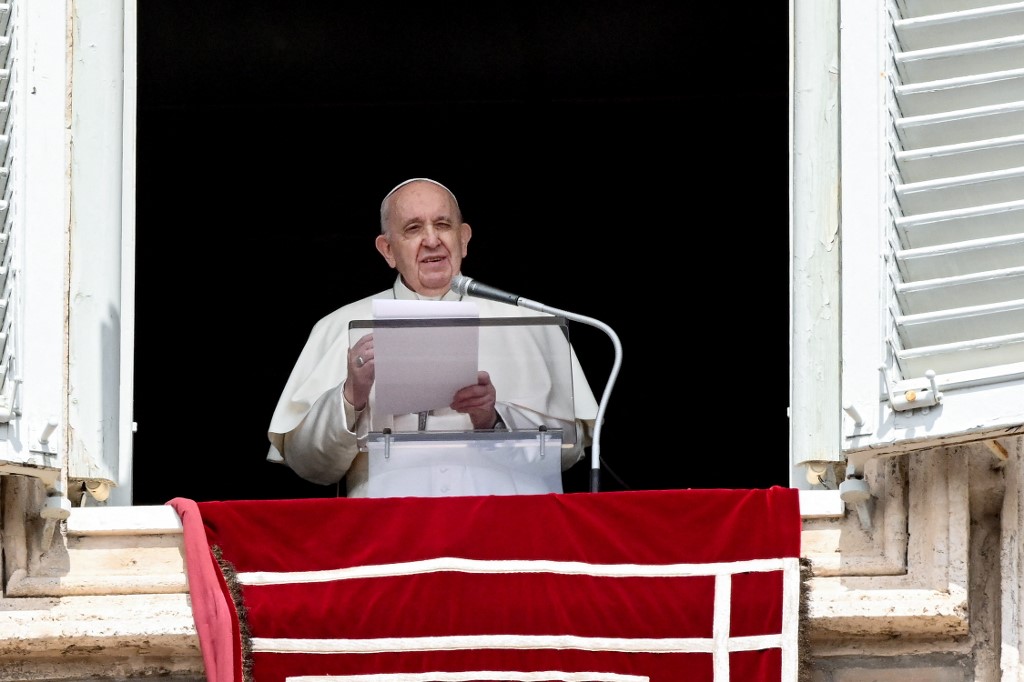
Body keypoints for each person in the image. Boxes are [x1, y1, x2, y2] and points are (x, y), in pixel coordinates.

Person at [267, 177, 599, 497]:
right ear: (387, 250)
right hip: (388, 537)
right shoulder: (339, 326)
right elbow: (309, 465)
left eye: (443, 225)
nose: (431, 239)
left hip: (503, 534)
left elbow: (567, 455)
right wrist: (351, 396)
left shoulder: (529, 322)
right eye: (413, 228)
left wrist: (492, 419)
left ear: (464, 238)